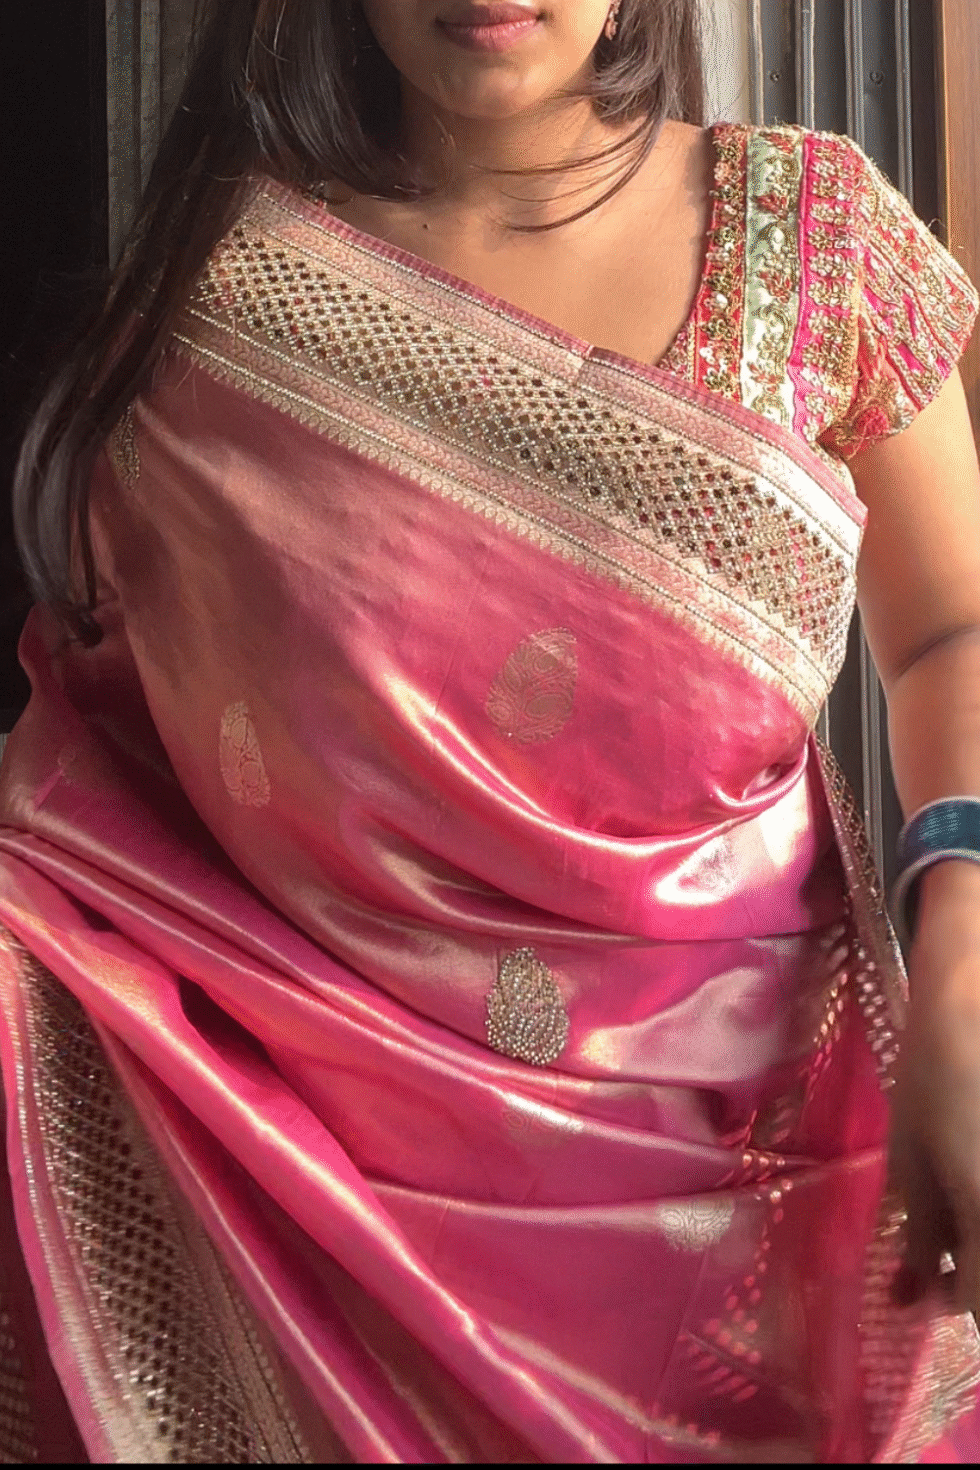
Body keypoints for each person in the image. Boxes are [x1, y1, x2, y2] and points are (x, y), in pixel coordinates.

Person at [2, 0, 980, 1459]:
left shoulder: (817, 244)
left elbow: (952, 633)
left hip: (743, 1215)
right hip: (296, 1203)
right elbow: (126, 757)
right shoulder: (236, 298)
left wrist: (962, 969)